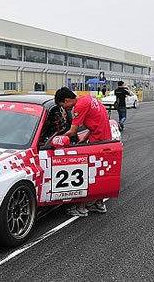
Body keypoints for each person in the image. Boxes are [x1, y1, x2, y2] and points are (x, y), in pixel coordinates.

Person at [54, 87, 112, 216]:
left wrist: (58, 138)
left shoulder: (80, 106)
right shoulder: (89, 98)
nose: (64, 108)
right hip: (105, 140)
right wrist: (84, 139)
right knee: (98, 174)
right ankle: (99, 204)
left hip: (97, 142)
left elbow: (73, 131)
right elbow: (95, 123)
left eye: (62, 105)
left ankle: (81, 208)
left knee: (88, 174)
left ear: (67, 100)